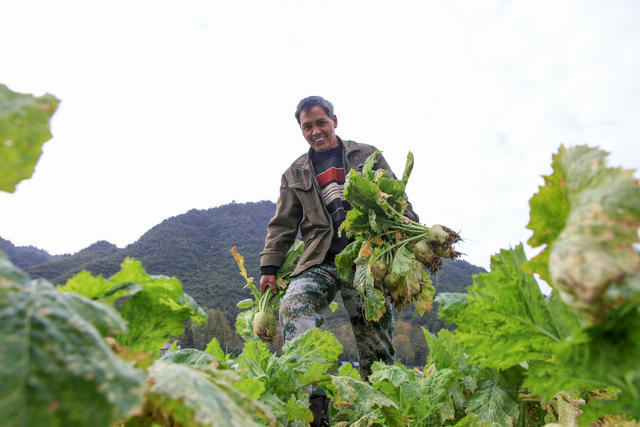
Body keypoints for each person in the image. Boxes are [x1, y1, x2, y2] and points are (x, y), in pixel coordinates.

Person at [259, 96, 418, 426]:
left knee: (375, 335)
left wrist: (410, 229)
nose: (315, 131)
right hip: (319, 258)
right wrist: (269, 267)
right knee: (294, 305)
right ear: (301, 130)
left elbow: (396, 197)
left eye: (321, 123)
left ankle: (381, 410)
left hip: (364, 259)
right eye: (307, 126)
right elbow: (283, 223)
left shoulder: (365, 155)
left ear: (334, 120)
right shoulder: (294, 173)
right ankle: (316, 407)